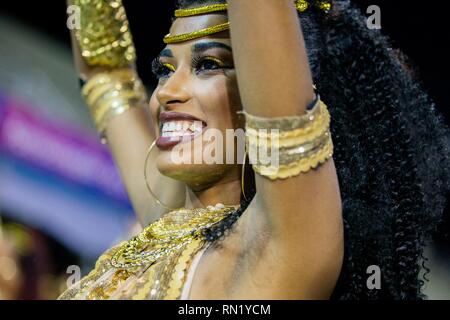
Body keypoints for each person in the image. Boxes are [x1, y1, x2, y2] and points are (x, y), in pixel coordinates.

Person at [59, 0, 450, 300]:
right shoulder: (168, 219)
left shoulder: (272, 250)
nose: (166, 92)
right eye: (164, 69)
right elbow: (105, 74)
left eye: (208, 64)